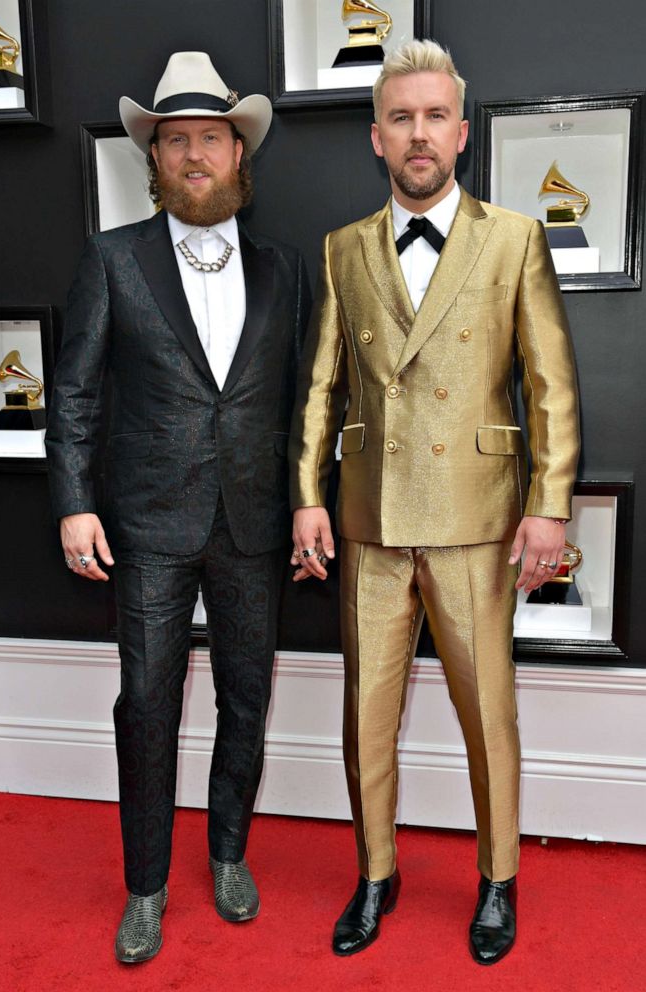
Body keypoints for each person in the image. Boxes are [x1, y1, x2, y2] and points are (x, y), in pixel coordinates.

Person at [289, 38, 579, 965]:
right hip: (370, 522)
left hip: (476, 520)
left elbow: (550, 387)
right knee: (363, 715)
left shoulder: (513, 238)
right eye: (400, 118)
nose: (419, 135)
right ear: (377, 138)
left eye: (434, 117)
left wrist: (551, 504)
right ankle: (376, 874)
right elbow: (320, 389)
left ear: (461, 131)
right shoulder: (342, 249)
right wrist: (306, 496)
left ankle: (497, 880)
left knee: (487, 714)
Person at [46, 51, 308, 964]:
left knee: (246, 699)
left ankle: (228, 855)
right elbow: (73, 393)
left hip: (252, 526)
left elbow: (303, 403)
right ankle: (147, 887)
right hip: (146, 529)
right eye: (174, 142)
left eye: (209, 138)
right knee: (146, 708)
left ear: (240, 153)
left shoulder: (283, 271)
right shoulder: (111, 259)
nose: (193, 155)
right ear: (152, 160)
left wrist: (307, 505)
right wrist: (76, 503)